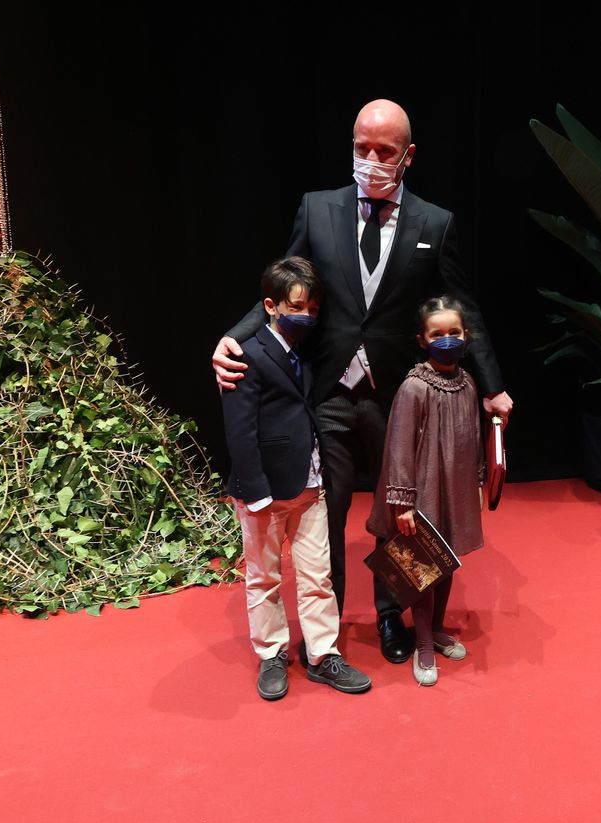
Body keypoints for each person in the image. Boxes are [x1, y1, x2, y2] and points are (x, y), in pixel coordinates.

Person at [212, 100, 514, 666]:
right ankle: (324, 638)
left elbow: (461, 309)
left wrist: (492, 385)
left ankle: (389, 615)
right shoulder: (318, 208)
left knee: (397, 513)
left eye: (385, 152)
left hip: (399, 398)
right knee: (325, 516)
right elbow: (284, 284)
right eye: (361, 148)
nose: (371, 160)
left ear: (409, 156)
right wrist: (233, 336)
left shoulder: (435, 222)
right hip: (327, 394)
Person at [220, 257, 372, 701]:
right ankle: (271, 654)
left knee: (317, 577)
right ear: (270, 305)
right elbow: (240, 432)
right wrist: (256, 493)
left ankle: (323, 656)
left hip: (312, 486)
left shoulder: (307, 348)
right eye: (296, 307)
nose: (305, 316)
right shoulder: (244, 355)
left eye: (312, 309)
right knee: (264, 578)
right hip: (264, 492)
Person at [366, 297, 485, 686]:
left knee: (446, 560)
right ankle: (423, 645)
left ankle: (435, 628)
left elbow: (473, 438)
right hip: (421, 491)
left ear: (466, 335)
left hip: (455, 487)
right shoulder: (414, 387)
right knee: (421, 569)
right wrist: (402, 502)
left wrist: (478, 479)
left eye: (454, 333)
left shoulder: (467, 383)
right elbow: (398, 448)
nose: (447, 340)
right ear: (422, 339)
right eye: (438, 334)